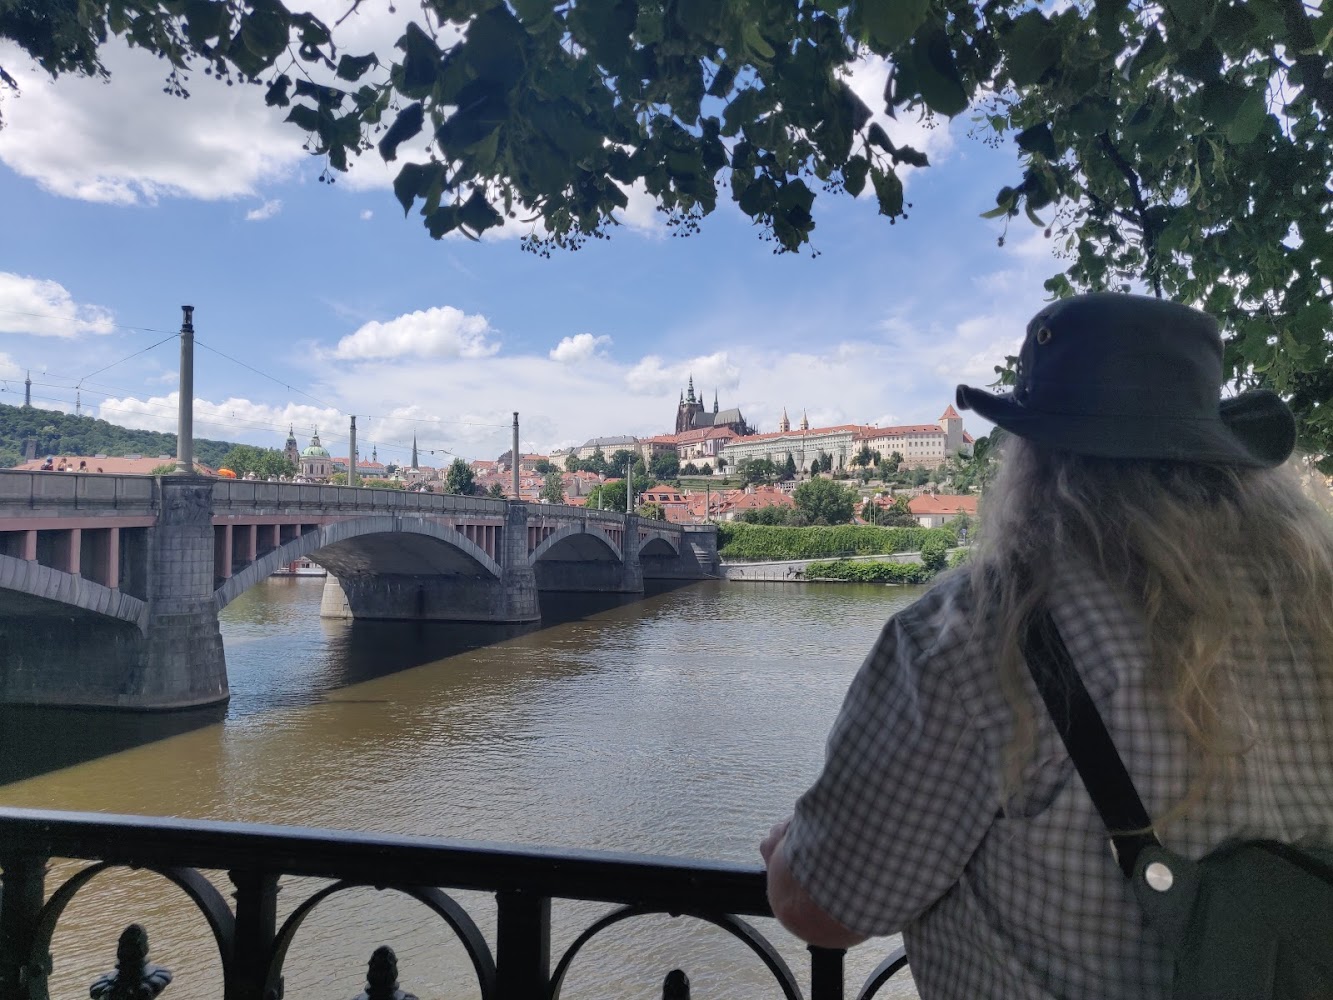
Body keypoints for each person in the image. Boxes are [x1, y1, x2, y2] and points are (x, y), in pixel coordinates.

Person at [761, 293, 1333, 999]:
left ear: (1032, 459)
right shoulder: (1318, 609)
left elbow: (824, 908)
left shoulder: (980, 632)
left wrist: (788, 852)